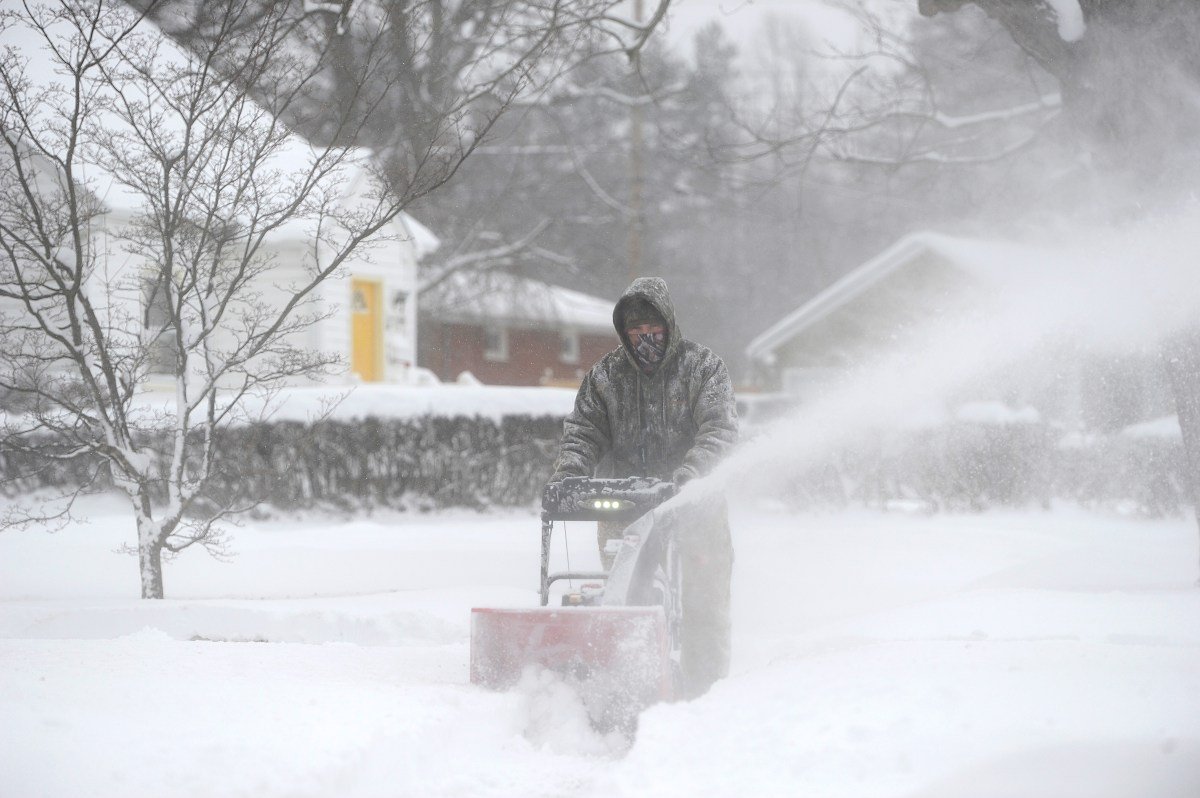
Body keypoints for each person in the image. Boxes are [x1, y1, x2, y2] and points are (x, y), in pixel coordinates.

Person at [550, 276, 738, 697]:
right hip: (625, 506)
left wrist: (690, 477)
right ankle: (628, 682)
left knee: (703, 603)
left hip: (695, 504)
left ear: (669, 326)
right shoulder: (606, 378)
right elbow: (582, 431)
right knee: (625, 599)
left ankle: (704, 691)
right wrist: (570, 472)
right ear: (623, 332)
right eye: (635, 333)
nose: (644, 340)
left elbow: (719, 431)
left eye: (652, 332)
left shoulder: (703, 369)